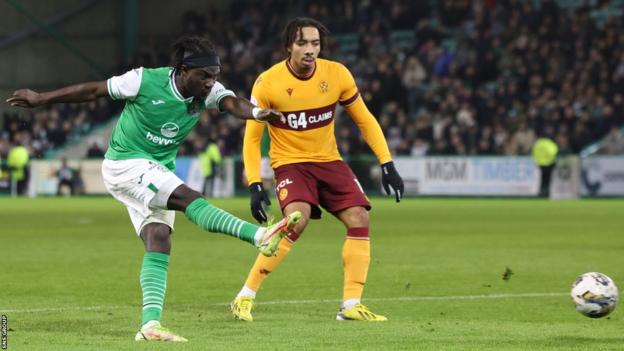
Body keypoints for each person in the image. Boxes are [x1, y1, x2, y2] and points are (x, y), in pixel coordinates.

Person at [7, 35, 301, 342]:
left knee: (159, 239)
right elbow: (94, 90)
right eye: (204, 76)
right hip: (126, 163)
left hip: (157, 169)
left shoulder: (207, 91)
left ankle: (150, 326)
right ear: (184, 70)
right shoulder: (143, 80)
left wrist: (255, 112)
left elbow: (231, 103)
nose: (210, 82)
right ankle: (257, 235)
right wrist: (42, 99)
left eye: (214, 76)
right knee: (190, 198)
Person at [230, 18, 404, 322]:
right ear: (288, 47)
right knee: (297, 220)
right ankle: (245, 296)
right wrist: (255, 184)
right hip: (290, 163)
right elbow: (252, 138)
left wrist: (386, 162)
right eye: (302, 43)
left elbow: (364, 119)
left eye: (315, 43)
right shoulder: (268, 82)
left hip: (328, 160)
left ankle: (350, 305)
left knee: (359, 217)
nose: (310, 50)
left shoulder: (336, 74)